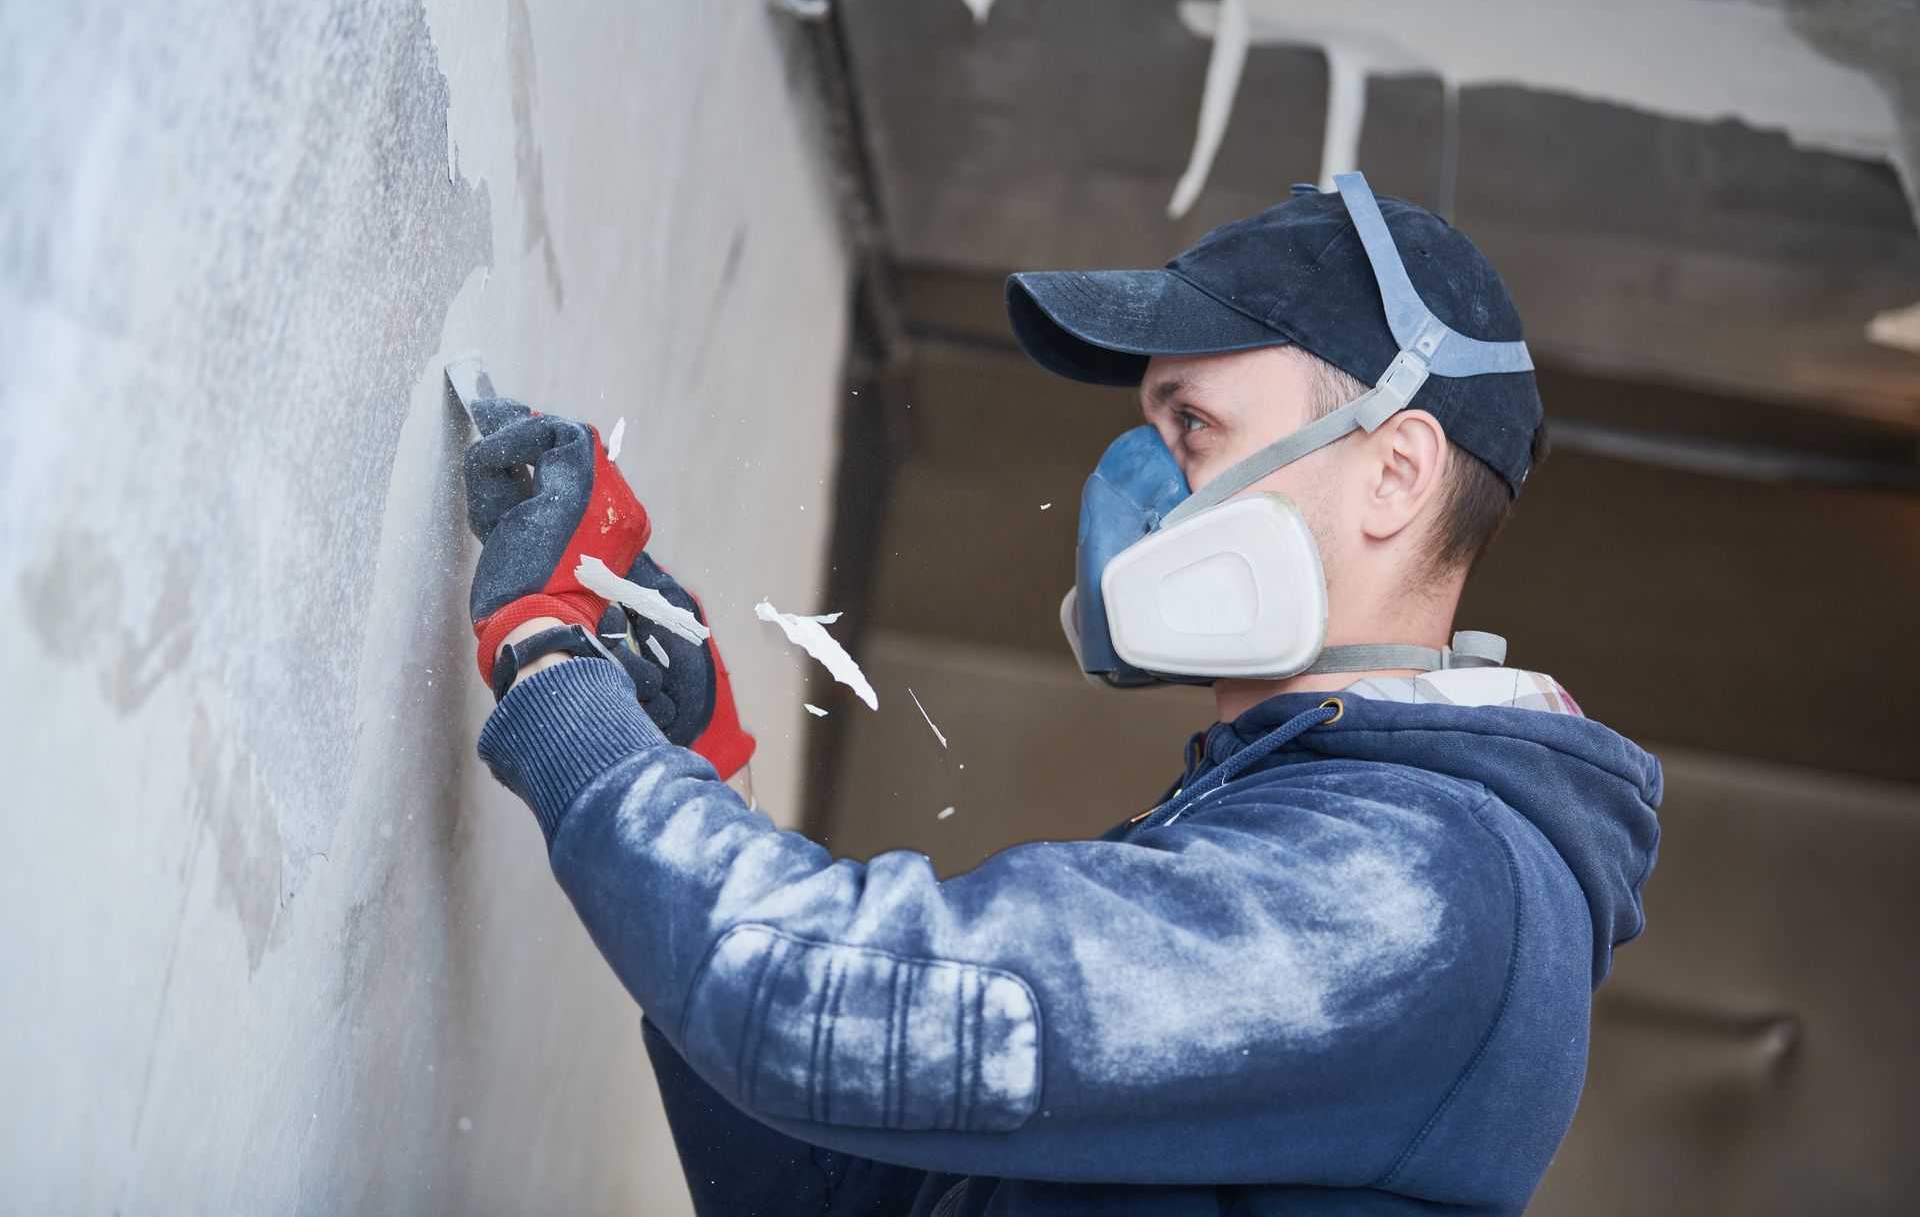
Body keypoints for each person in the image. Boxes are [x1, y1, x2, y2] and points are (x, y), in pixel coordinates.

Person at [462, 173, 1663, 1217]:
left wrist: (556, 674)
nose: (1144, 491)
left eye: (1192, 427)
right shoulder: (1315, 817)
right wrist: (686, 764)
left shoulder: (1425, 879)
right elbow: (855, 1186)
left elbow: (819, 1008)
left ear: (1393, 470)